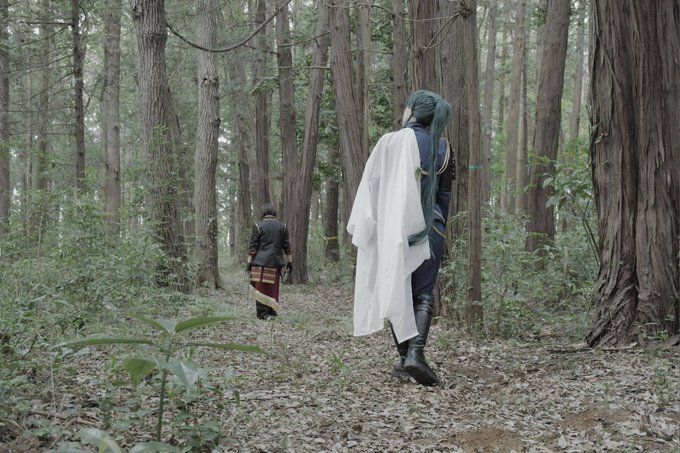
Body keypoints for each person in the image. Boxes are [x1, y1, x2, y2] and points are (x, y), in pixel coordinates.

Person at [347, 90, 453, 386]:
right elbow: (444, 196)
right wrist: (438, 226)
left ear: (412, 112)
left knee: (397, 290)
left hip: (391, 230)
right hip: (431, 229)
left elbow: (372, 187)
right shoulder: (443, 146)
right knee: (423, 294)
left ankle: (408, 357)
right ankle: (414, 355)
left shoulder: (388, 142)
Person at [247, 203, 293, 320]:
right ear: (274, 213)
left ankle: (262, 314)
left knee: (261, 288)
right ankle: (271, 312)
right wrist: (290, 262)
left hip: (259, 264)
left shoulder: (258, 226)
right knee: (272, 289)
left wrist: (248, 263)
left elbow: (253, 248)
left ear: (263, 213)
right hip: (274, 264)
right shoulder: (282, 226)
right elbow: (287, 247)